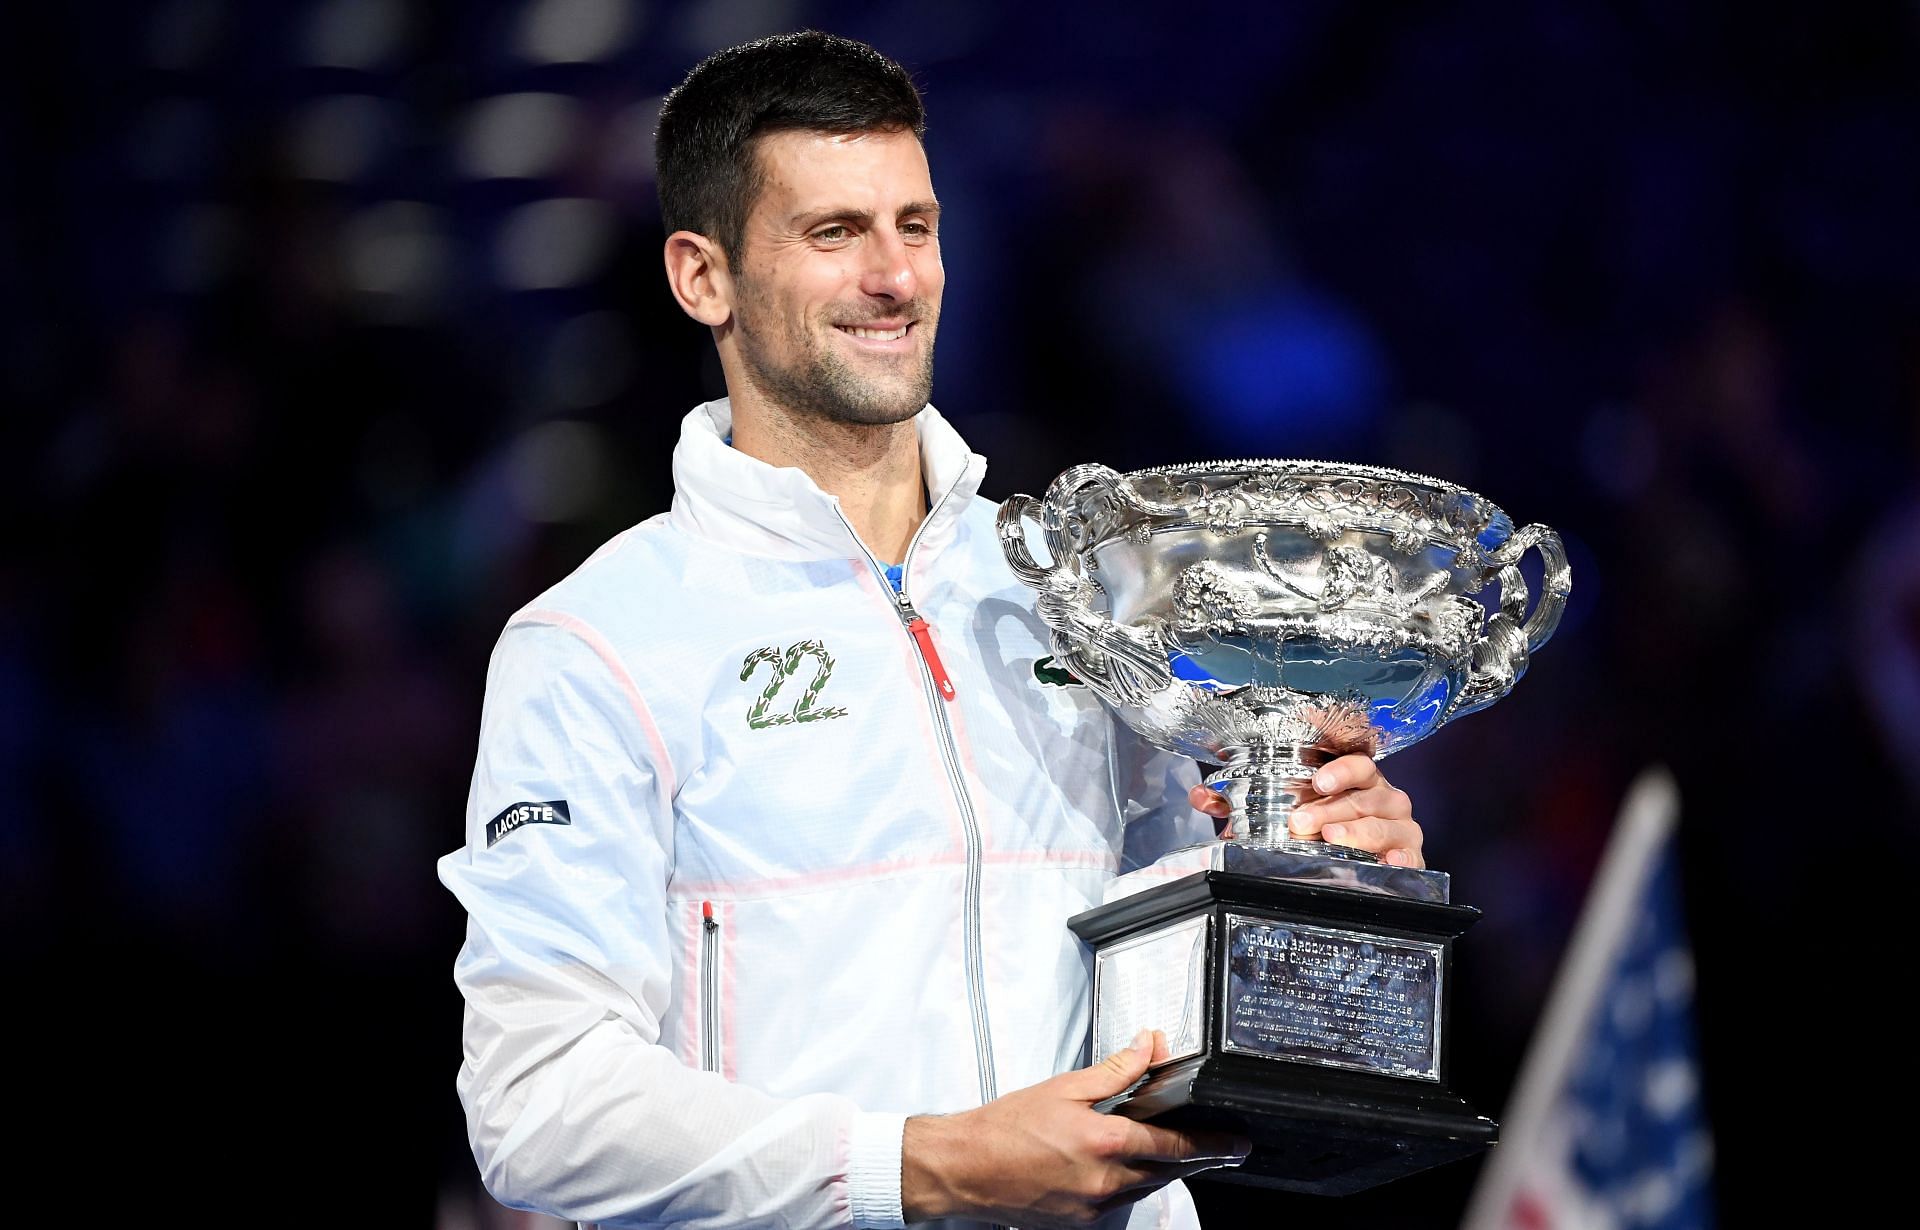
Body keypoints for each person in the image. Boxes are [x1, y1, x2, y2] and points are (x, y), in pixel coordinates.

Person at [438, 30, 1425, 1230]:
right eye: (835, 233)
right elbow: (538, 1105)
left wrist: (1320, 882)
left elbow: (1187, 1001)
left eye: (915, 225)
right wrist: (924, 1164)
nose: (897, 277)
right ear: (703, 279)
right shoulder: (597, 643)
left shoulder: (1090, 590)